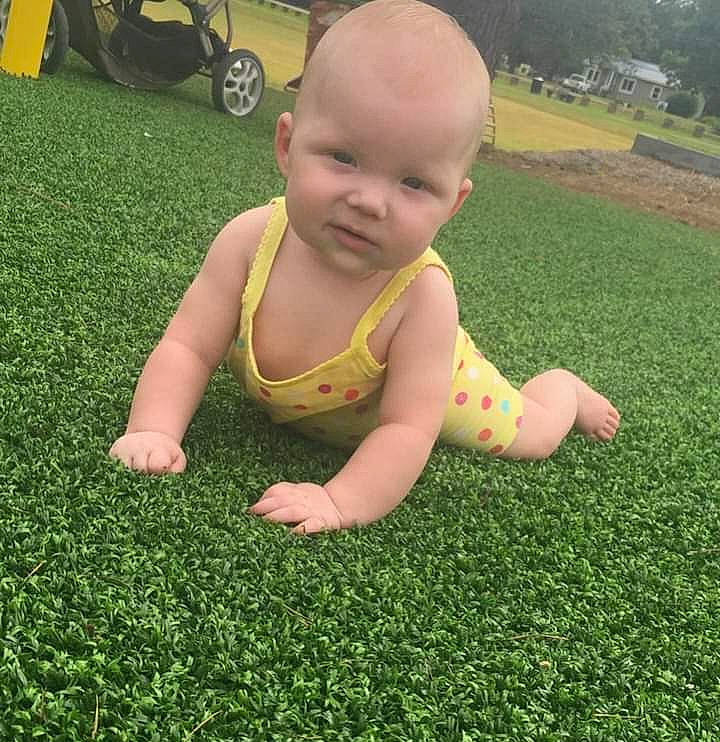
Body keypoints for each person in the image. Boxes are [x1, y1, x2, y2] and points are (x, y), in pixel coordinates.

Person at [110, 0, 619, 533]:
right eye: (344, 158)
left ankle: (563, 391)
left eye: (414, 183)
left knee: (534, 436)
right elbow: (187, 347)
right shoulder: (249, 240)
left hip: (439, 383)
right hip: (320, 404)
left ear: (452, 205)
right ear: (287, 145)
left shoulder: (422, 299)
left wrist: (339, 500)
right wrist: (155, 431)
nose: (371, 202)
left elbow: (406, 429)